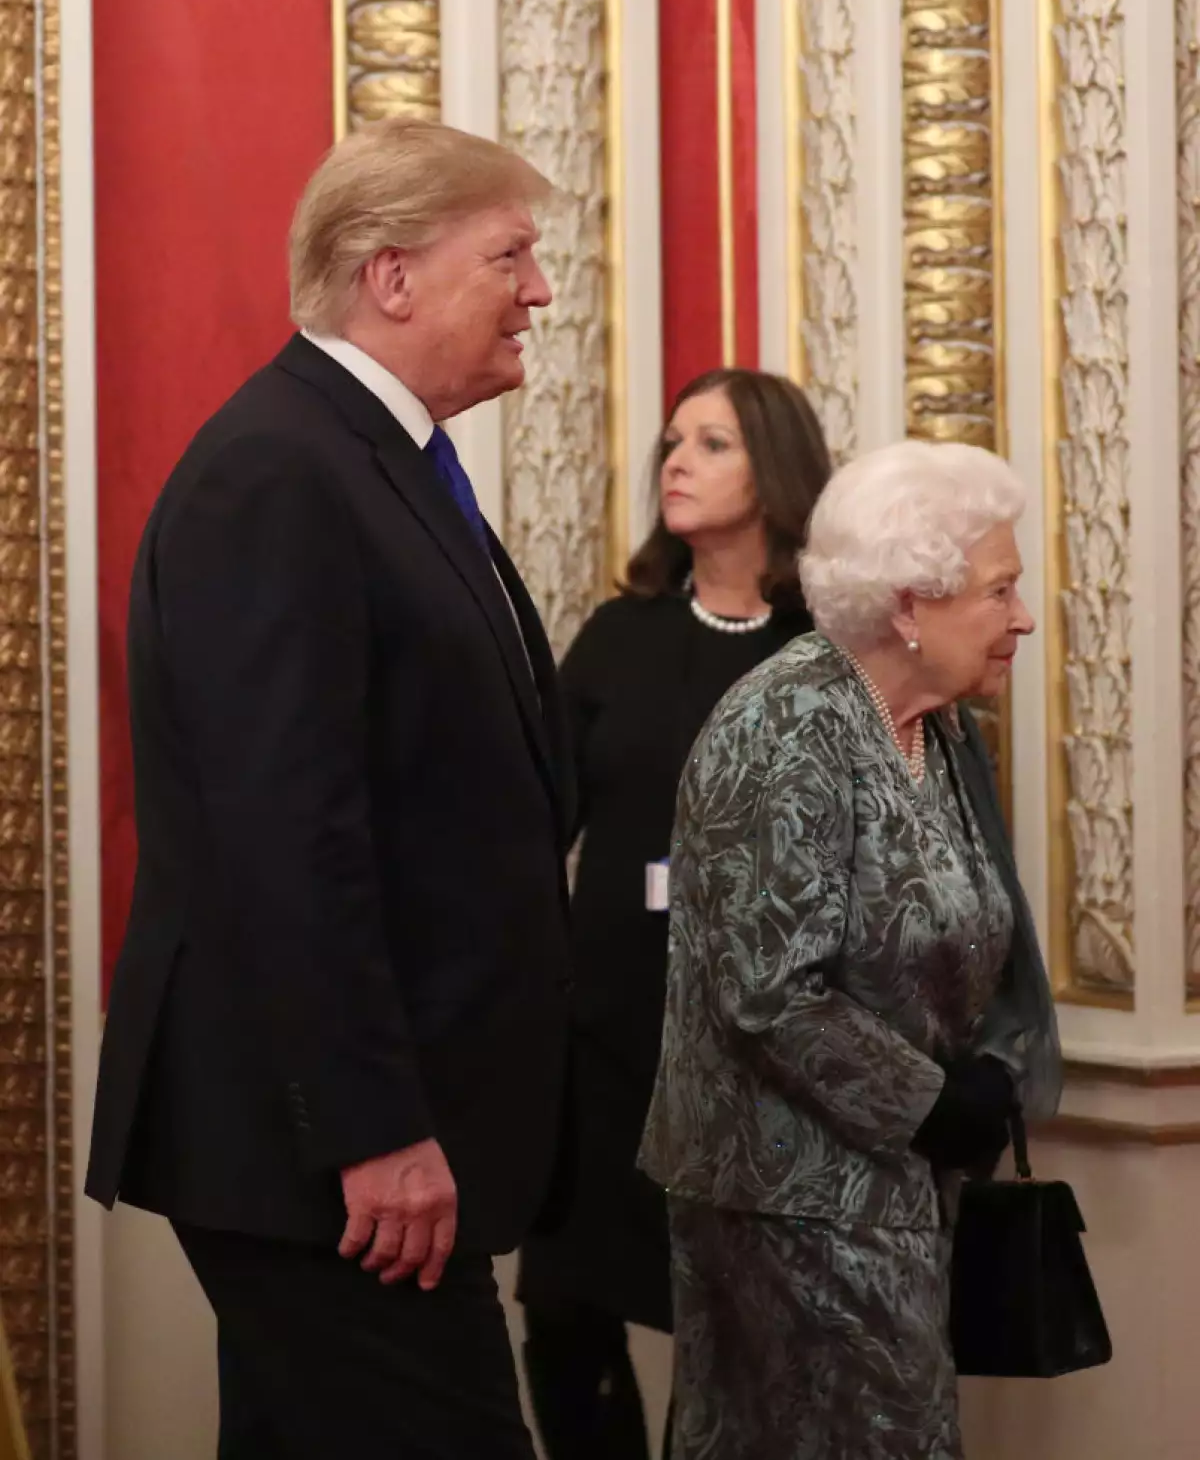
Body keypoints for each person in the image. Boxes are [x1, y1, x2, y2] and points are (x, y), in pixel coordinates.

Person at [85, 117, 574, 1460]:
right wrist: (372, 1130)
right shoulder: (280, 473)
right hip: (334, 1158)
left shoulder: (370, 463)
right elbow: (287, 839)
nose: (539, 291)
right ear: (393, 275)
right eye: (512, 257)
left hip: (377, 1143)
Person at [639, 440, 1062, 1460]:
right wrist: (931, 1100)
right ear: (910, 605)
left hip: (897, 1191)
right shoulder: (783, 727)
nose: (1023, 619)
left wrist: (988, 1072)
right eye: (1000, 590)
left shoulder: (941, 728)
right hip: (786, 1204)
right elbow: (770, 994)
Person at [517, 369, 832, 1459]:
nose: (676, 462)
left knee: (741, 1343)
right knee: (565, 1312)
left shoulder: (824, 651)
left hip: (764, 1067)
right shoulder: (621, 631)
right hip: (605, 1039)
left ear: (777, 472)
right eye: (671, 441)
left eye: (711, 443)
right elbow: (531, 817)